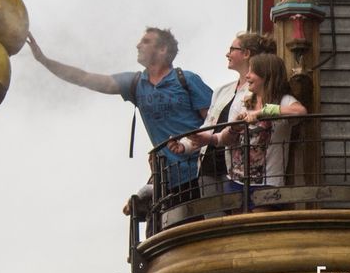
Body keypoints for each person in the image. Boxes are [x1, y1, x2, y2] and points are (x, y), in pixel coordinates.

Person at [27, 27, 212, 205]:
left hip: (203, 172)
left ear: (163, 49)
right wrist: (44, 60)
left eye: (146, 42)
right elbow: (85, 78)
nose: (138, 45)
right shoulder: (136, 83)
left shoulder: (186, 79)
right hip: (168, 180)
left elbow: (216, 118)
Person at [167, 32, 276, 202]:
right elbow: (208, 125)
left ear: (246, 53)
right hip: (208, 167)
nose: (227, 54)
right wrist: (185, 145)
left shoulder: (259, 90)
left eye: (232, 49)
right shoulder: (221, 91)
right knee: (213, 220)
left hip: (236, 169)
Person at [211, 53, 307, 210]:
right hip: (235, 180)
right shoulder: (244, 102)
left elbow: (300, 111)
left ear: (266, 75)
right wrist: (234, 127)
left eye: (252, 71)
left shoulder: (284, 100)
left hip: (267, 184)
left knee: (257, 228)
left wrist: (263, 112)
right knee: (237, 229)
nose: (247, 76)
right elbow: (227, 137)